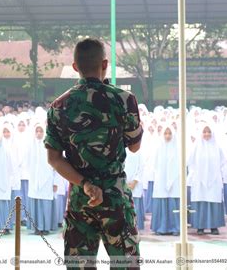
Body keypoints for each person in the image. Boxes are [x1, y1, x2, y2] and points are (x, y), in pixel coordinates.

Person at [45, 38, 143, 269]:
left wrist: (86, 183)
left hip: (81, 198)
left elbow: (54, 158)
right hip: (116, 197)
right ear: (105, 64)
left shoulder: (59, 106)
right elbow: (135, 146)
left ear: (75, 67)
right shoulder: (124, 99)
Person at [188, 123, 226, 235]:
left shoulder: (217, 146)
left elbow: (223, 161)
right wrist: (194, 174)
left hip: (214, 180)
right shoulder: (196, 146)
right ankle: (200, 226)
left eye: (209, 132)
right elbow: (190, 161)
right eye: (204, 132)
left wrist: (217, 173)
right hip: (199, 180)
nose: (207, 134)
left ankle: (214, 226)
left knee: (213, 201)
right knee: (201, 201)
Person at [27, 123, 57, 235]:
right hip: (34, 179)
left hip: (48, 179)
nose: (39, 134)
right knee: (35, 201)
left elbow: (56, 164)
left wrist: (55, 181)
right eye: (37, 131)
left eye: (41, 131)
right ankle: (36, 227)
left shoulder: (49, 145)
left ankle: (45, 227)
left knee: (45, 202)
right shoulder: (30, 145)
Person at [151, 124, 180, 235]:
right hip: (161, 180)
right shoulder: (158, 147)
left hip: (175, 180)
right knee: (162, 199)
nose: (167, 136)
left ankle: (175, 228)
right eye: (165, 133)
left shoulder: (177, 148)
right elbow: (154, 164)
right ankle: (160, 228)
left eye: (170, 133)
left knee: (173, 201)